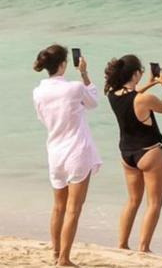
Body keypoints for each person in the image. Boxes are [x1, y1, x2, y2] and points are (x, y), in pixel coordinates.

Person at [32, 44, 102, 267]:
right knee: (74, 208)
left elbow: (42, 118)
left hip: (55, 151)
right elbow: (93, 101)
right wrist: (83, 72)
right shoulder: (74, 88)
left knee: (58, 207)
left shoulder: (38, 92)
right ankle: (64, 259)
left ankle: (55, 252)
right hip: (77, 152)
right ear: (63, 64)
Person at [104, 55, 162, 253]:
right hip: (149, 152)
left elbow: (132, 96)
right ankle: (144, 247)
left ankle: (122, 244)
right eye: (140, 71)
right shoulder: (144, 100)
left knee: (133, 200)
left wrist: (148, 84)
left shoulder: (112, 95)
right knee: (154, 203)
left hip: (127, 154)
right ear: (135, 74)